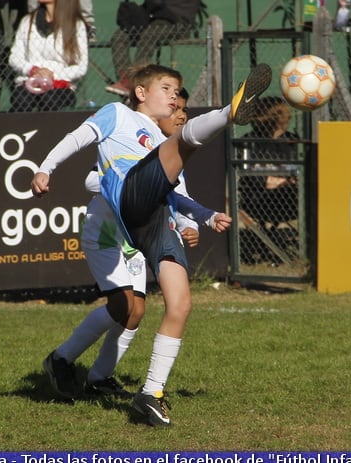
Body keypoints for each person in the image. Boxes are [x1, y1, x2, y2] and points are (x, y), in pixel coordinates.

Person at [31, 62, 271, 425]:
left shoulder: (163, 145)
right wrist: (45, 167)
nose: (174, 96)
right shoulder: (118, 114)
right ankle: (229, 111)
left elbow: (179, 197)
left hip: (152, 220)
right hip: (128, 197)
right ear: (141, 93)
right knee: (184, 140)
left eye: (177, 91)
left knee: (180, 303)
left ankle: (149, 395)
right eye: (166, 88)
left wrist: (203, 217)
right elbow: (77, 138)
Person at [43, 87, 229, 401]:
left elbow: (176, 199)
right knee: (123, 306)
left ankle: (99, 377)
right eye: (175, 108)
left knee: (136, 311)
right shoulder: (129, 136)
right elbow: (92, 178)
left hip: (135, 239)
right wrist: (118, 182)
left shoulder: (168, 156)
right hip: (106, 234)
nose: (180, 114)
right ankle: (60, 359)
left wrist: (192, 223)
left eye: (184, 110)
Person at [237, 96, 300, 263]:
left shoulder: (292, 141)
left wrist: (281, 182)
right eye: (278, 119)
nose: (282, 123)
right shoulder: (249, 143)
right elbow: (255, 180)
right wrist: (282, 181)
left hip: (291, 199)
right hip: (258, 200)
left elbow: (298, 176)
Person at [107, 0, 201, 97]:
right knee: (119, 36)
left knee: (149, 34)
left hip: (177, 23)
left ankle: (139, 80)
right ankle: (125, 81)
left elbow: (158, 4)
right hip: (153, 19)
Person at [7, 0, 88, 112]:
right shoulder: (27, 22)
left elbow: (81, 67)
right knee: (21, 99)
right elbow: (14, 58)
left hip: (60, 85)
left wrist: (51, 75)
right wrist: (33, 70)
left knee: (50, 99)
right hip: (30, 82)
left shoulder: (76, 25)